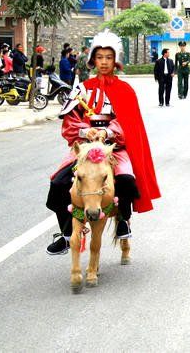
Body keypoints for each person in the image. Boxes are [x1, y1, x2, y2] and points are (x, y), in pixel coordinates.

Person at [45, 30, 160, 255]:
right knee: (58, 183)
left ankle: (123, 221)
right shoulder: (82, 90)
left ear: (115, 60)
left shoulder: (125, 90)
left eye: (109, 57)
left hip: (115, 149)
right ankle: (67, 234)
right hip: (85, 151)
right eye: (100, 58)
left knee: (127, 179)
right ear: (93, 60)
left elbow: (129, 125)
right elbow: (70, 122)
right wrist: (86, 131)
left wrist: (108, 133)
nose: (104, 62)